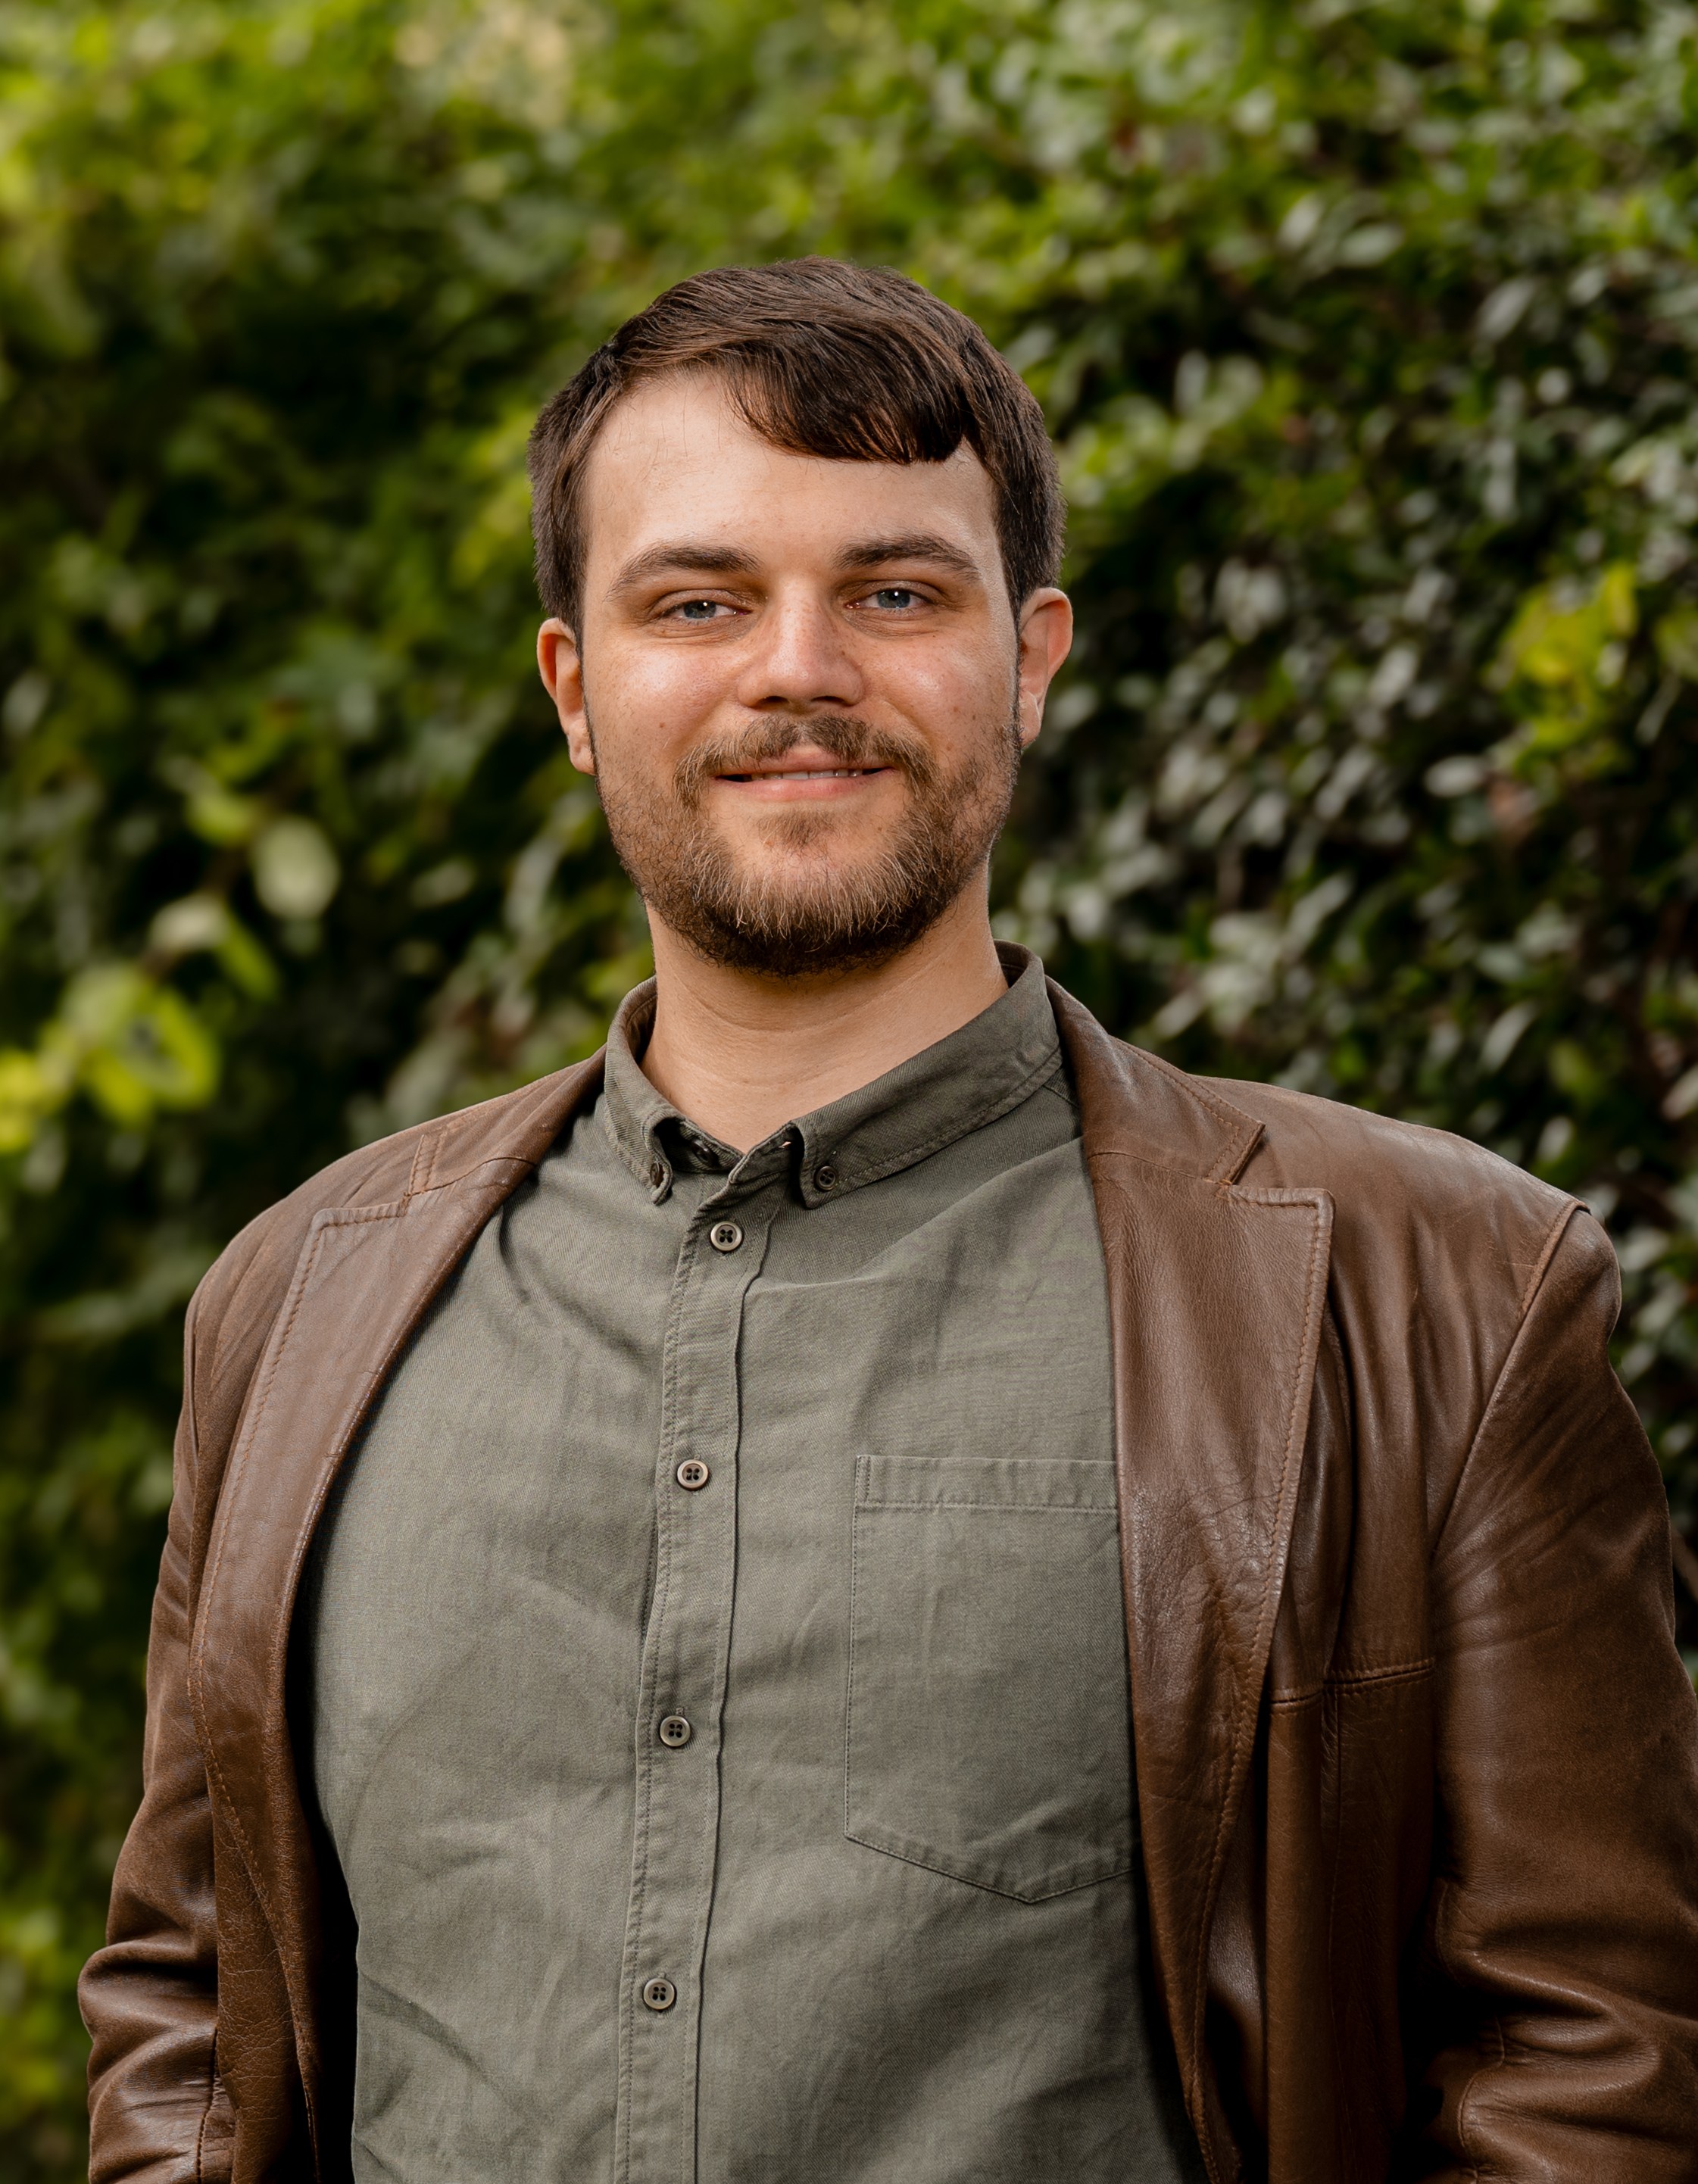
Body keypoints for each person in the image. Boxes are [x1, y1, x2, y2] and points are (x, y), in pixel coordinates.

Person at [80, 258, 1698, 2184]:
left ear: (1027, 657)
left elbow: (1589, 2060)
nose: (796, 668)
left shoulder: (1442, 1293)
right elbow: (188, 2016)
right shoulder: (299, 1301)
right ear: (574, 688)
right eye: (698, 600)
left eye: (893, 591)